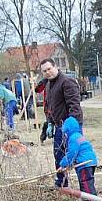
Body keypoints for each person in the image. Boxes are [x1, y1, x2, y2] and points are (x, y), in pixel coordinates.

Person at [38, 58, 83, 188]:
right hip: (58, 125)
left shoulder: (67, 81)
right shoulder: (48, 83)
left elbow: (74, 106)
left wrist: (71, 127)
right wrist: (50, 122)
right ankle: (62, 183)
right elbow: (52, 105)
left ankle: (84, 187)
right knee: (58, 154)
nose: (47, 72)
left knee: (75, 155)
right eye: (44, 71)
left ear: (55, 67)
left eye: (49, 69)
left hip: (71, 126)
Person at [58, 116, 98, 201]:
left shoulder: (73, 138)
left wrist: (63, 164)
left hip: (85, 163)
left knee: (85, 182)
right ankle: (88, 200)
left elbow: (72, 153)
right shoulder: (79, 136)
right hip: (91, 161)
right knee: (88, 181)